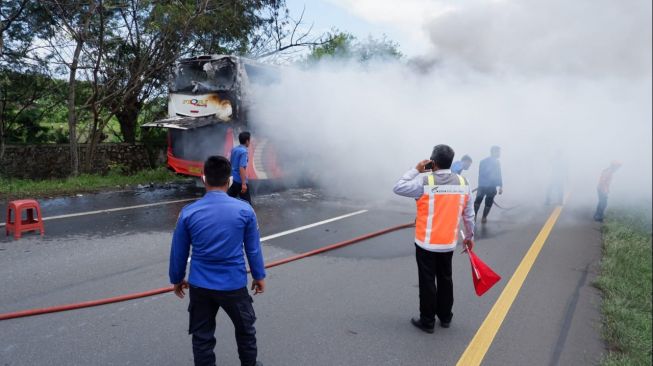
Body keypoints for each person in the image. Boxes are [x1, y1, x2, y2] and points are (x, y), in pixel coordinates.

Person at [169, 156, 266, 366]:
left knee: (202, 337)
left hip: (200, 286)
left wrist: (177, 279)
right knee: (245, 331)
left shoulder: (188, 212)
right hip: (233, 285)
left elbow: (178, 251)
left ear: (204, 179)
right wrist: (259, 276)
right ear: (230, 180)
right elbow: (253, 249)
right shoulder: (245, 210)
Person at [393, 144, 475, 333]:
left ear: (433, 162)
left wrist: (416, 169)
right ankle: (445, 317)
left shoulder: (425, 182)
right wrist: (469, 236)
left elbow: (398, 187)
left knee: (427, 281)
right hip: (448, 243)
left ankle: (427, 321)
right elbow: (469, 215)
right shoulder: (463, 183)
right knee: (446, 279)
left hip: (426, 243)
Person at [474, 146, 503, 224]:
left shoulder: (484, 161)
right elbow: (496, 175)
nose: (499, 154)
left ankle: (480, 217)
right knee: (481, 201)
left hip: (484, 186)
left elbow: (498, 174)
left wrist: (500, 186)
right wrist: (499, 186)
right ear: (493, 152)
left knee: (482, 201)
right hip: (487, 186)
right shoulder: (492, 162)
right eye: (498, 152)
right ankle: (479, 217)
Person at [228, 131, 252, 205]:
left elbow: (230, 163)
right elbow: (242, 168)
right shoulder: (244, 152)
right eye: (249, 140)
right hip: (239, 181)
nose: (249, 142)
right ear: (247, 141)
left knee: (229, 201)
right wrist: (244, 184)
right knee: (247, 204)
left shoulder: (234, 149)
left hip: (232, 180)